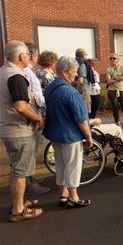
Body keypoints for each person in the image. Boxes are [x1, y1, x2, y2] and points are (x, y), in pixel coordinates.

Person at [0, 40, 44, 222]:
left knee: (16, 169)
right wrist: (39, 118)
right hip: (19, 131)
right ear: (21, 56)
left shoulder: (2, 71)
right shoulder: (16, 76)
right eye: (27, 53)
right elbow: (21, 106)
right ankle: (18, 210)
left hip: (7, 128)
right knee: (20, 172)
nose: (30, 56)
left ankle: (19, 202)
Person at [43, 56, 93, 209]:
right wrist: (88, 136)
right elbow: (81, 120)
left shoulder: (50, 88)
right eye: (74, 72)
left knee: (61, 166)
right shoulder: (71, 92)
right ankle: (74, 198)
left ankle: (63, 195)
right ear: (65, 72)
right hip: (70, 136)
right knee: (72, 166)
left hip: (54, 134)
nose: (76, 75)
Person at [24, 43, 50, 196]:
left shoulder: (30, 71)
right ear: (32, 55)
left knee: (31, 150)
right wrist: (44, 110)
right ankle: (29, 182)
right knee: (30, 150)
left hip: (33, 112)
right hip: (34, 112)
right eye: (36, 54)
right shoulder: (27, 71)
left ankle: (31, 178)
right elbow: (36, 95)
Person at [75, 48, 95, 114]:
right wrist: (82, 91)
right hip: (84, 90)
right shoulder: (82, 64)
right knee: (86, 110)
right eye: (85, 55)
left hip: (79, 90)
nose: (86, 56)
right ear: (83, 55)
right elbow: (80, 80)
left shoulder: (75, 63)